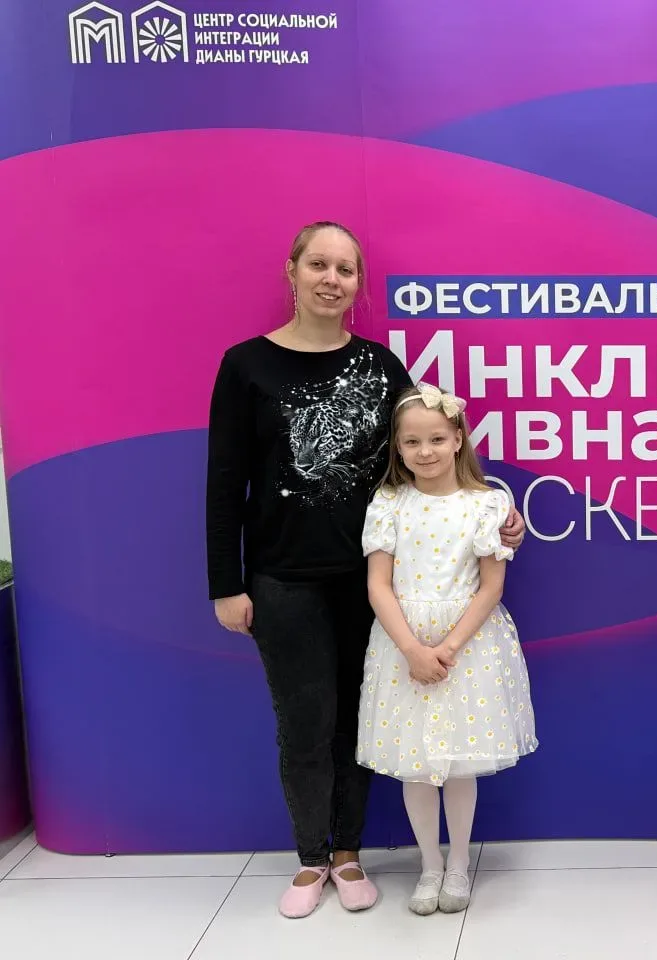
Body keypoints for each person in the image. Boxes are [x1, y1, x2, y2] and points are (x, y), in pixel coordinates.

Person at [205, 221, 526, 919]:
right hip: (282, 576)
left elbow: (429, 455)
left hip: (375, 584)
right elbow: (225, 482)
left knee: (361, 720)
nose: (331, 279)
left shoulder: (381, 366)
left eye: (345, 269)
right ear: (292, 270)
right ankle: (310, 857)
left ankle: (348, 852)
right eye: (318, 264)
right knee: (304, 721)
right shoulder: (246, 365)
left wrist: (498, 516)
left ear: (357, 284)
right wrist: (226, 583)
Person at [358, 382, 537, 916]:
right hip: (402, 643)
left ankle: (458, 861)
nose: (425, 452)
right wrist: (413, 649)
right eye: (412, 442)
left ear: (458, 438)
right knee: (416, 764)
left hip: (469, 646)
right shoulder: (389, 503)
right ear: (398, 448)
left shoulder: (488, 504)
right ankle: (429, 865)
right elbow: (378, 585)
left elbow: (491, 587)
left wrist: (448, 647)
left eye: (437, 439)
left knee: (459, 763)